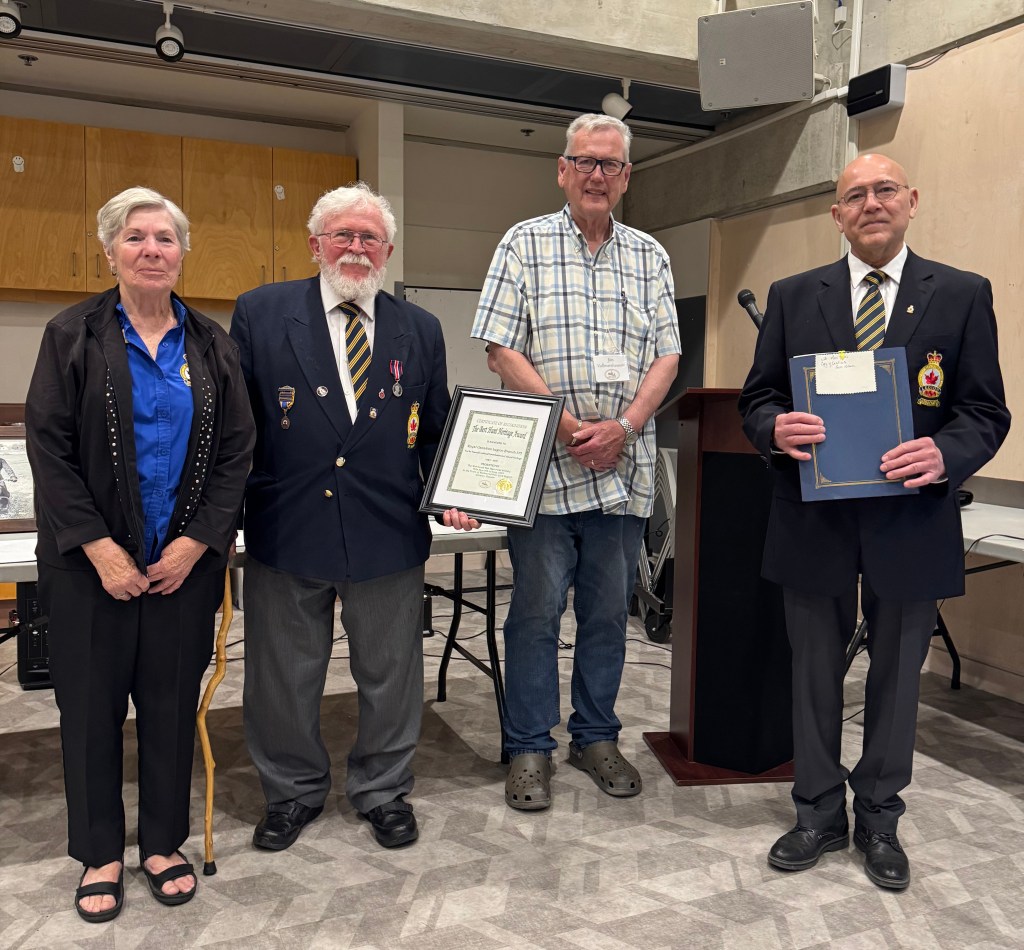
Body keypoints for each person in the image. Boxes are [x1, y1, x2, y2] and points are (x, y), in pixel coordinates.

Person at [738, 154, 1010, 890]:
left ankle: (880, 817)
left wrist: (946, 451)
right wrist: (774, 430)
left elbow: (985, 410)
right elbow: (756, 399)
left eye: (884, 190)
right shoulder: (795, 296)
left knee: (897, 678)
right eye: (854, 195)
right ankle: (818, 811)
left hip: (912, 519)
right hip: (813, 517)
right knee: (814, 674)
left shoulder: (959, 294)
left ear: (911, 201)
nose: (871, 203)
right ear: (837, 215)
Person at [26, 187, 255, 922]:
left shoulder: (212, 344)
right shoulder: (72, 335)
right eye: (135, 238)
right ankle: (99, 851)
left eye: (164, 238)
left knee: (167, 706)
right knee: (90, 711)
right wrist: (100, 549)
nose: (151, 249)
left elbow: (237, 454)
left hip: (181, 571)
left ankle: (162, 842)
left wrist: (195, 544)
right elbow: (50, 452)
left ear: (183, 254)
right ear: (109, 252)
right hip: (90, 570)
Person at [231, 182, 477, 852]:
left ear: (388, 250)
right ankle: (291, 792)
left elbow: (431, 431)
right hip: (288, 525)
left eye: (369, 237)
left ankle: (383, 790)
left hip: (387, 528)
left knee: (392, 673)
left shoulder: (417, 328)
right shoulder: (260, 312)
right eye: (343, 234)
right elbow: (238, 427)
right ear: (315, 245)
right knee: (282, 675)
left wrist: (452, 485)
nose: (356, 247)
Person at [472, 113, 680, 810]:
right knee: (533, 614)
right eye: (585, 162)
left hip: (623, 471)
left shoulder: (650, 255)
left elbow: (667, 356)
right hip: (547, 470)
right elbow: (500, 347)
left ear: (626, 177)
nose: (597, 175)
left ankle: (595, 736)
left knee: (605, 616)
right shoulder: (522, 244)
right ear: (562, 169)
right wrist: (565, 426)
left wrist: (624, 425)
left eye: (610, 165)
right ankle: (529, 745)